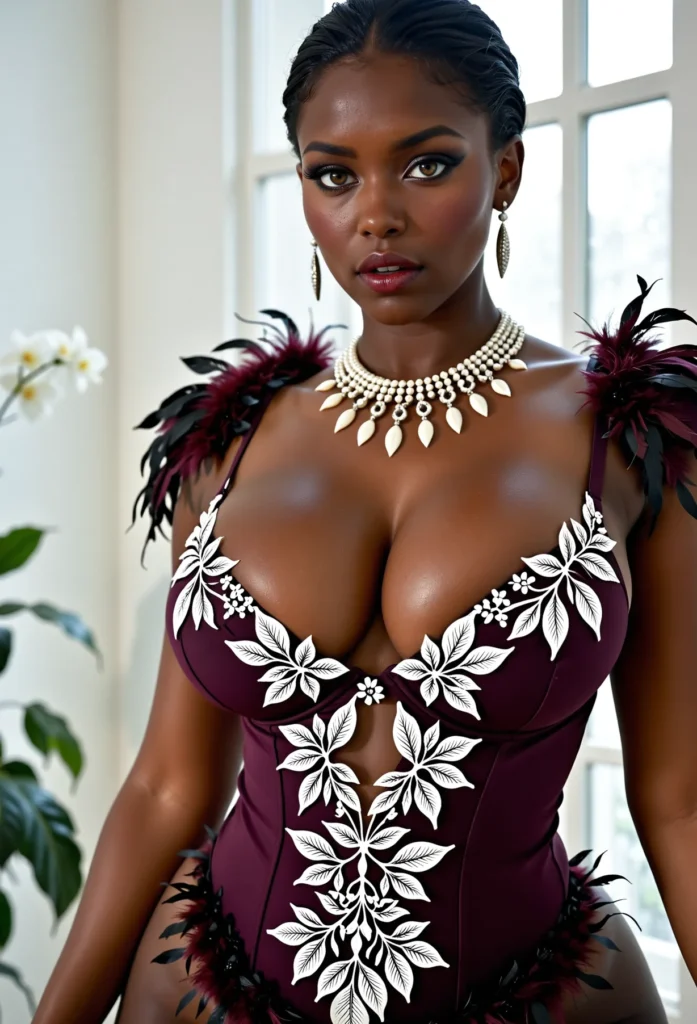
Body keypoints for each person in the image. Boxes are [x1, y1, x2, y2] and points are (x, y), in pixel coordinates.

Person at [33, 1, 697, 1022]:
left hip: (540, 994)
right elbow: (168, 786)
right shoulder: (226, 442)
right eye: (333, 174)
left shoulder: (634, 440)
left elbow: (680, 798)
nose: (375, 215)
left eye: (426, 165)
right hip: (200, 990)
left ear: (505, 171)